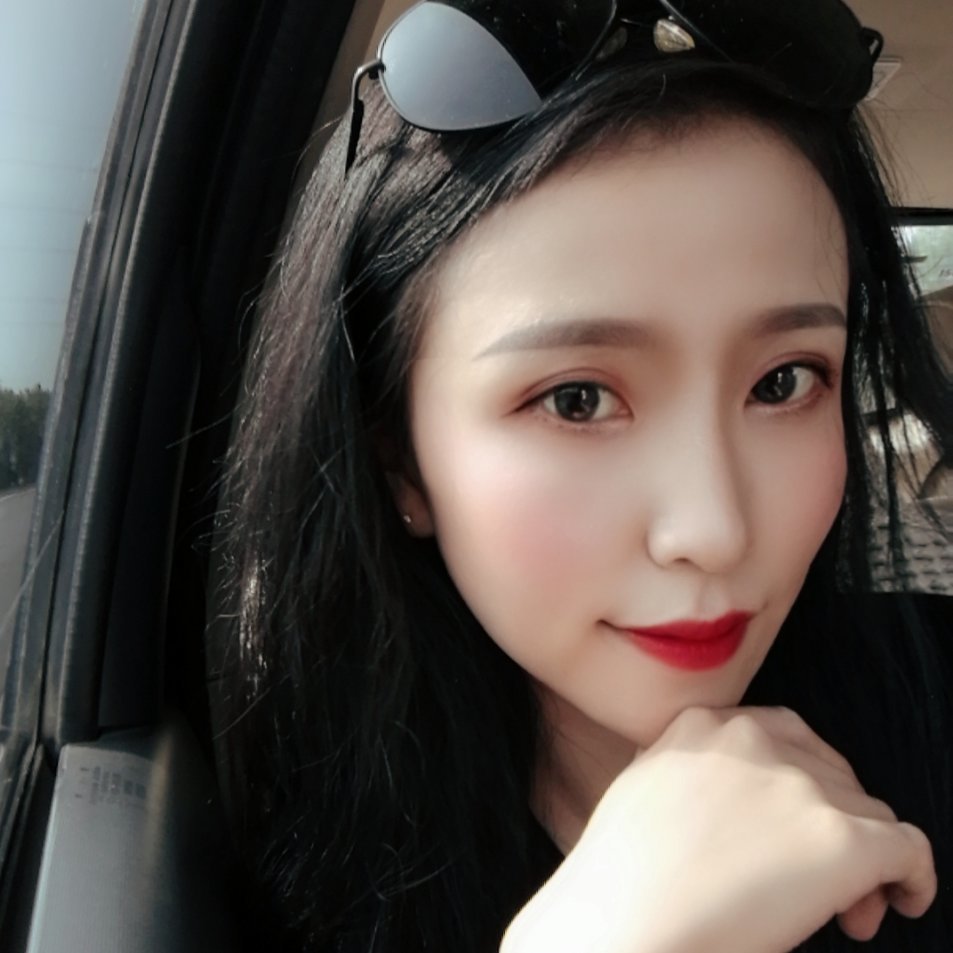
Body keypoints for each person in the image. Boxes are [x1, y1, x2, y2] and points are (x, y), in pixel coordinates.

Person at [212, 1, 953, 950]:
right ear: (398, 456)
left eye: (782, 381)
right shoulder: (264, 874)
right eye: (576, 399)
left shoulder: (933, 704)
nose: (712, 528)